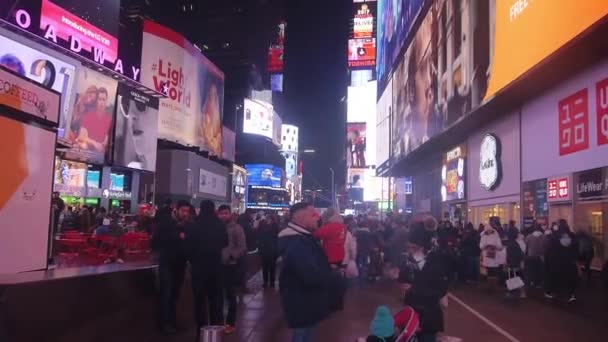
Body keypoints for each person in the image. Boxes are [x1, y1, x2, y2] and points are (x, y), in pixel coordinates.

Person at [279, 202, 334, 342]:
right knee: (302, 336)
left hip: (307, 301)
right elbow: (310, 273)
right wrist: (329, 276)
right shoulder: (296, 241)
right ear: (300, 218)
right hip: (302, 301)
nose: (318, 217)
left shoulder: (303, 238)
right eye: (313, 214)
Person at [399, 222, 449, 342]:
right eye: (409, 247)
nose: (410, 250)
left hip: (425, 312)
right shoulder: (410, 261)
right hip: (417, 311)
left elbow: (441, 282)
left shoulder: (435, 260)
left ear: (421, 246)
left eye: (412, 247)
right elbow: (403, 281)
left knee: (425, 337)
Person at [186, 200, 229, 332]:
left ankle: (201, 329)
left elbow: (188, 246)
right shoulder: (219, 225)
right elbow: (225, 243)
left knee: (200, 300)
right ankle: (216, 329)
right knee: (215, 299)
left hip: (199, 268)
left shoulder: (193, 225)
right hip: (216, 267)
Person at [151, 200, 189, 335]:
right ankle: (164, 324)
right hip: (167, 263)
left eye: (187, 212)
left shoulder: (186, 225)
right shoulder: (165, 222)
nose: (185, 214)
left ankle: (173, 321)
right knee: (166, 294)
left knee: (175, 295)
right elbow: (156, 241)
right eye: (183, 211)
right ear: (176, 210)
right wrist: (178, 237)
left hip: (180, 264)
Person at [217, 205, 246, 333]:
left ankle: (230, 322)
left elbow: (242, 247)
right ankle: (218, 322)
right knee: (217, 295)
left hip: (230, 265)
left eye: (226, 213)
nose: (223, 215)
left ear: (230, 214)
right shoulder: (216, 227)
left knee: (230, 295)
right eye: (221, 213)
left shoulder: (237, 228)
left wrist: (231, 256)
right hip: (216, 265)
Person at [314, 208, 348, 310]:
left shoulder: (331, 227)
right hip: (340, 255)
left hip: (330, 256)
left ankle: (332, 304)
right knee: (338, 280)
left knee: (331, 282)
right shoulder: (343, 227)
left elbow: (316, 234)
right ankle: (339, 303)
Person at [544, 220, 578, 302]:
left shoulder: (555, 236)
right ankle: (571, 294)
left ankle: (550, 292)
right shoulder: (572, 236)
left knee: (553, 276)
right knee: (570, 278)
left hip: (556, 260)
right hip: (569, 261)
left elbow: (549, 249)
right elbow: (576, 248)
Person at [77, 87, 112, 152]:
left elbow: (107, 138)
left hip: (101, 154)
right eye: (99, 99)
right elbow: (81, 136)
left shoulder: (109, 120)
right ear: (96, 101)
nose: (101, 102)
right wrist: (95, 143)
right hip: (87, 151)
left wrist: (105, 143)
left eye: (103, 99)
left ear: (106, 101)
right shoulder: (88, 116)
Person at [259, 215, 279, 288]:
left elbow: (276, 238)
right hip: (265, 250)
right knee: (265, 268)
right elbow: (260, 237)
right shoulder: (263, 227)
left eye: (269, 218)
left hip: (272, 250)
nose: (268, 220)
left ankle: (272, 282)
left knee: (272, 268)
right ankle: (265, 282)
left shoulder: (275, 227)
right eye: (267, 218)